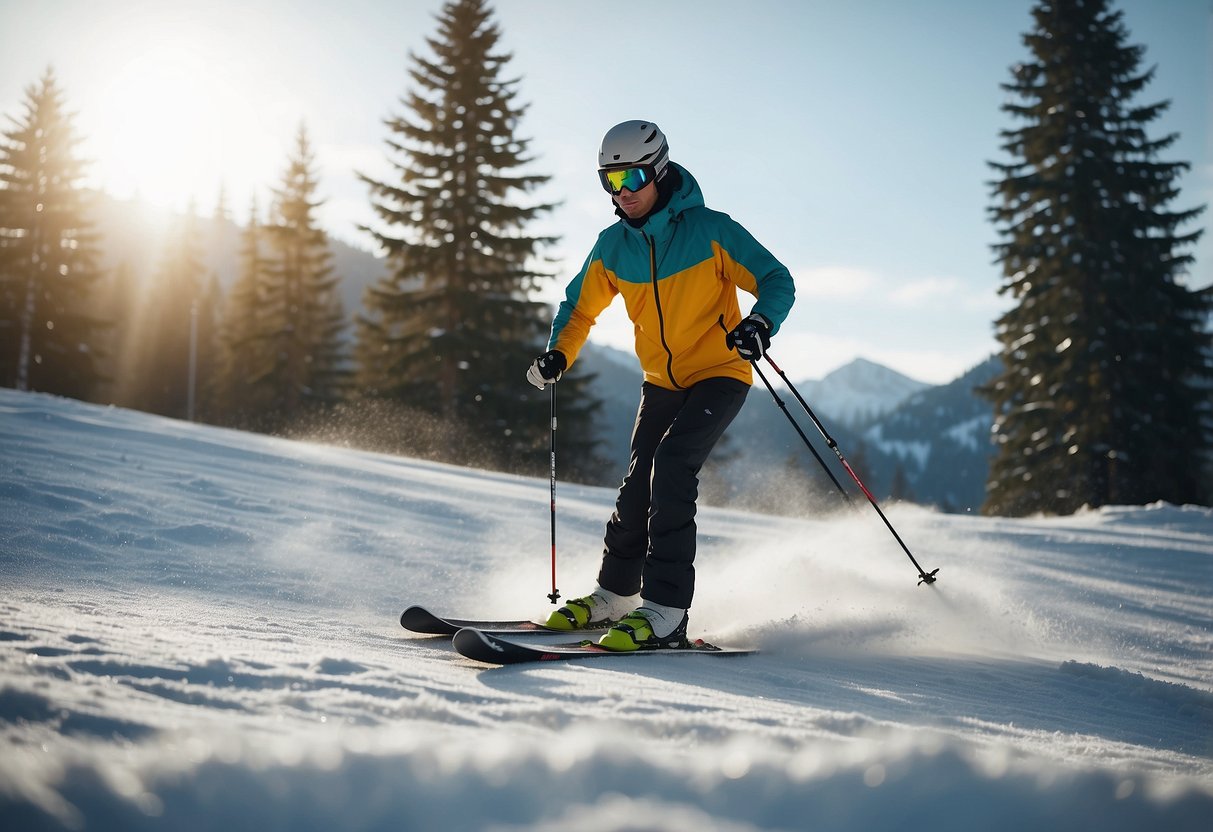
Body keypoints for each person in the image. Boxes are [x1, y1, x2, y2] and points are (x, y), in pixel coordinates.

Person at [526, 120, 795, 651]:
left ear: (659, 170)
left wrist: (760, 323)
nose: (621, 194)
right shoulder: (612, 247)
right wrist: (561, 352)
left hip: (721, 373)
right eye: (609, 181)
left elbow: (776, 279)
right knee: (637, 482)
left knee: (672, 466)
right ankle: (615, 596)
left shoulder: (710, 230)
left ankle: (667, 609)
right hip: (661, 381)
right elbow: (578, 310)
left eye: (631, 179)